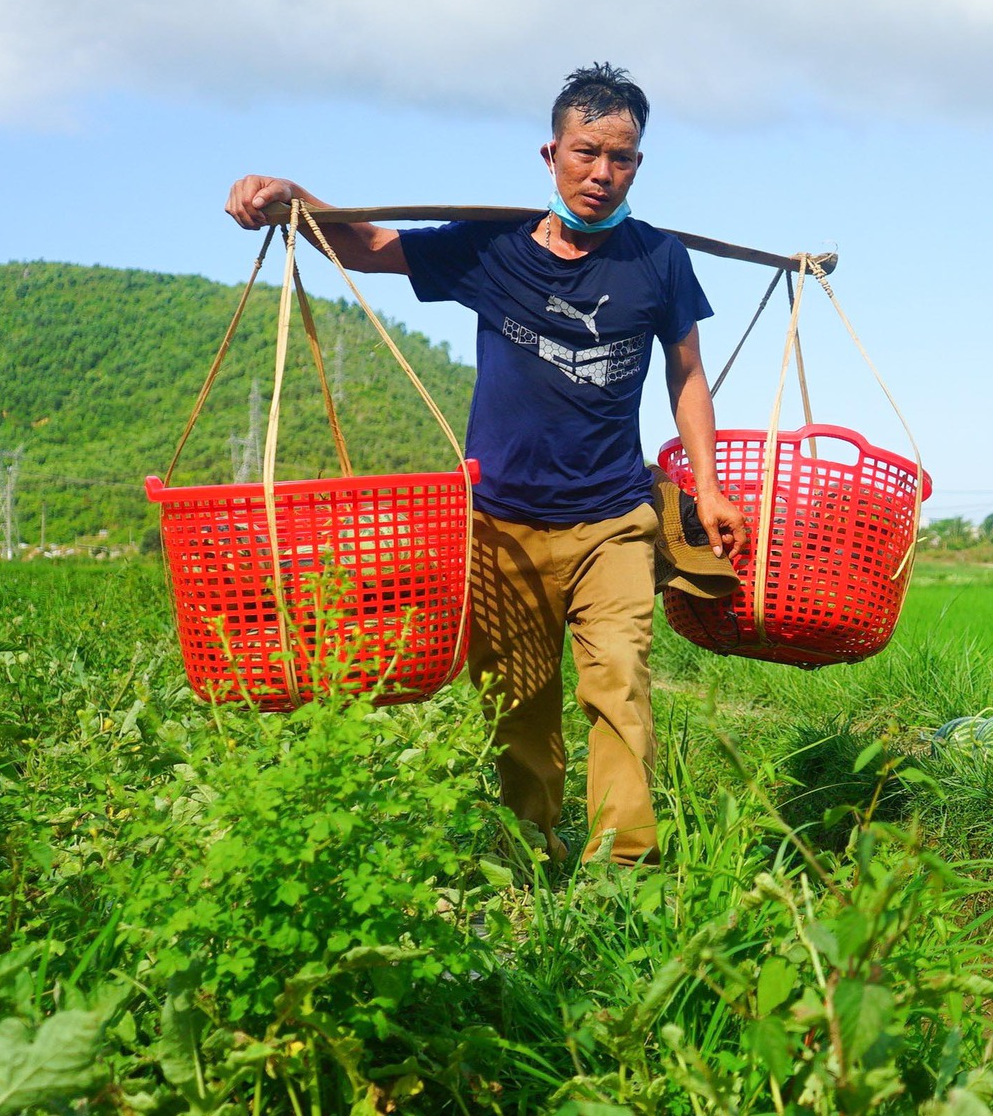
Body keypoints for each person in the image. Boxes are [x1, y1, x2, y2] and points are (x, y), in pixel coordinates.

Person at [224, 64, 748, 867]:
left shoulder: (658, 259)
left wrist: (707, 489)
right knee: (520, 709)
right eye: (586, 153)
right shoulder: (491, 249)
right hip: (502, 525)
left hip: (614, 516)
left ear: (639, 164)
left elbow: (687, 375)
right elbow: (366, 247)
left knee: (621, 688)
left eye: (623, 158)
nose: (602, 174)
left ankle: (623, 873)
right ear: (551, 152)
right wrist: (294, 196)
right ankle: (531, 859)